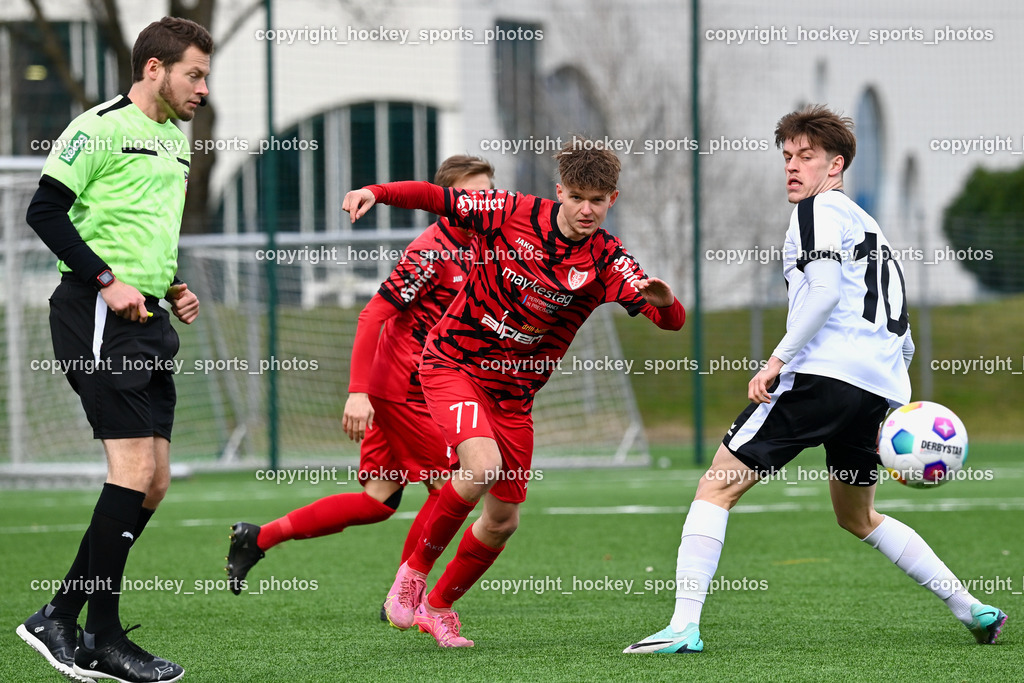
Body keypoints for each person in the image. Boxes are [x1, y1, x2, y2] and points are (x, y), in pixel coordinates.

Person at [625, 105, 1007, 654]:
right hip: (880, 392)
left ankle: (684, 625)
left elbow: (825, 292)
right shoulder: (869, 227)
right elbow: (905, 339)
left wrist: (777, 359)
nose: (792, 167)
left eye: (806, 156)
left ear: (837, 165)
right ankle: (972, 609)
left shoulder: (818, 211)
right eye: (787, 157)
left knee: (717, 485)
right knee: (858, 516)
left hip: (823, 378)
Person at [342, 137, 685, 647]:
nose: (586, 209)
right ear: (559, 192)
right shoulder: (510, 211)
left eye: (598, 199)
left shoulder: (609, 258)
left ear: (613, 198)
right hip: (453, 363)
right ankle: (411, 577)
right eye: (577, 197)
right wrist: (377, 190)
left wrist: (665, 301)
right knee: (480, 467)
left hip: (513, 396)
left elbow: (670, 320)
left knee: (502, 521)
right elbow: (436, 198)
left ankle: (439, 607)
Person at [16, 17, 212, 683]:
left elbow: (143, 228)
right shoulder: (96, 126)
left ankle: (63, 615)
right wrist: (108, 280)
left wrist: (173, 284)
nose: (203, 88)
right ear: (153, 68)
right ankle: (99, 634)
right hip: (95, 313)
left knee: (153, 481)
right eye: (194, 73)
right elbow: (43, 211)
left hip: (147, 318)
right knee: (130, 471)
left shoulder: (175, 143)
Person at [225, 156, 495, 619]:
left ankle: (258, 537)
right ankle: (406, 594)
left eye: (489, 191)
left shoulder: (487, 244)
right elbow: (372, 315)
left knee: (378, 500)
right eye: (472, 194)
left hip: (417, 385)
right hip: (404, 389)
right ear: (448, 203)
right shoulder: (432, 251)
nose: (483, 201)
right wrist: (359, 391)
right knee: (450, 485)